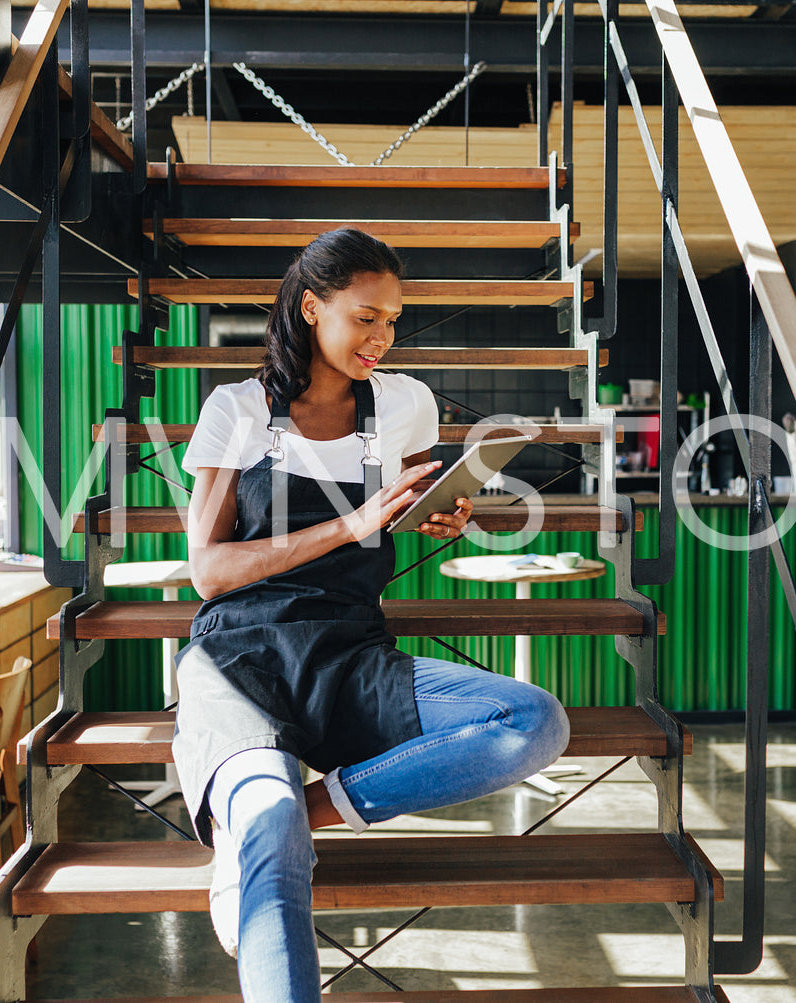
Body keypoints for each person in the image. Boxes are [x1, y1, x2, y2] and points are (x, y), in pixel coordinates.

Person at [171, 227, 571, 1002]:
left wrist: (435, 512)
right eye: (365, 317)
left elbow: (401, 511)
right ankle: (265, 832)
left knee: (532, 720)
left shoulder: (404, 404)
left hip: (350, 651)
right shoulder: (236, 410)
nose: (381, 337)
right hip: (239, 659)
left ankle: (293, 820)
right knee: (267, 825)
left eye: (391, 319)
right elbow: (210, 573)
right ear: (311, 308)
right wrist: (348, 525)